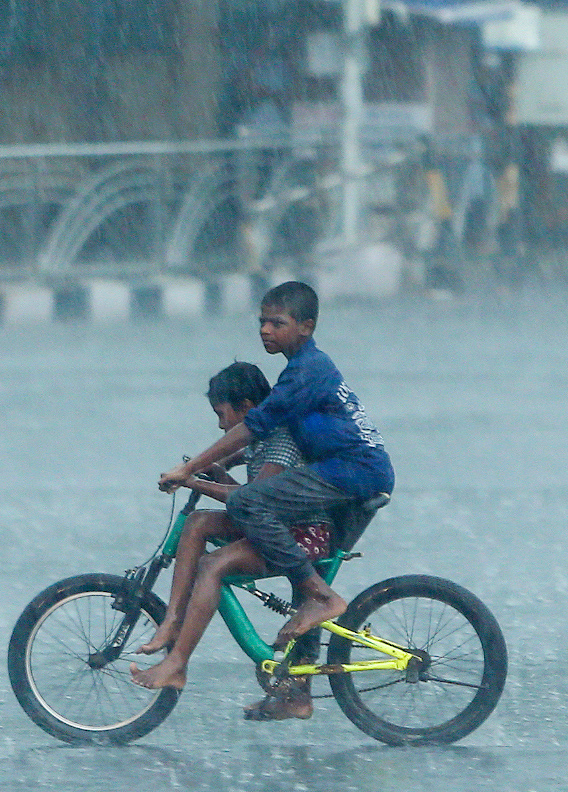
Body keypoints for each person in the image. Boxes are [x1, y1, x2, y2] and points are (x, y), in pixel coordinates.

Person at [138, 281, 394, 713]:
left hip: (353, 472)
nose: (265, 331)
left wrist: (190, 470)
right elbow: (262, 435)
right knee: (205, 522)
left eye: (278, 323)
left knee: (245, 503)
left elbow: (257, 427)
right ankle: (175, 626)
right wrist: (214, 469)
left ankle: (319, 597)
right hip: (341, 471)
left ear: (306, 327)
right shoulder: (298, 370)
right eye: (262, 322)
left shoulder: (308, 370)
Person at [130, 362, 332, 720]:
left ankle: (177, 663)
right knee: (196, 523)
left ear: (248, 407)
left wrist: (193, 481)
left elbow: (253, 499)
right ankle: (174, 619)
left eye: (223, 415)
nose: (222, 425)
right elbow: (249, 498)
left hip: (298, 536)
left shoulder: (280, 442)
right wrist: (213, 471)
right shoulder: (260, 439)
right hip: (274, 526)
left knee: (212, 565)